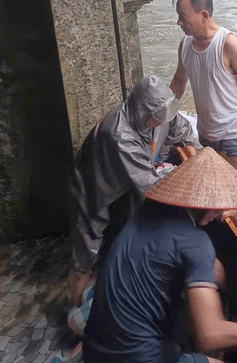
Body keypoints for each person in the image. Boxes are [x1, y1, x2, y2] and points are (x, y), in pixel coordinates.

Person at [83, 148, 237, 363]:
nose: (222, 213)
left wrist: (233, 287)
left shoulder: (149, 209)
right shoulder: (195, 242)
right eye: (219, 205)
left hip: (95, 354)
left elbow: (210, 266)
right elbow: (210, 336)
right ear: (206, 203)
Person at [68, 75, 196, 301]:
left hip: (127, 179)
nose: (162, 121)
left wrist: (196, 162)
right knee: (87, 246)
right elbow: (150, 185)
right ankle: (75, 302)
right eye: (158, 117)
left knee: (122, 230)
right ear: (142, 111)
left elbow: (182, 130)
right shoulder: (118, 134)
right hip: (94, 184)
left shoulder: (161, 112)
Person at [170, 0, 237, 175]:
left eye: (183, 16)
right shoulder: (185, 44)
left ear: (204, 15)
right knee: (215, 191)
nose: (179, 22)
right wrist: (163, 116)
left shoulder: (228, 43)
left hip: (235, 134)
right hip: (206, 133)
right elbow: (179, 81)